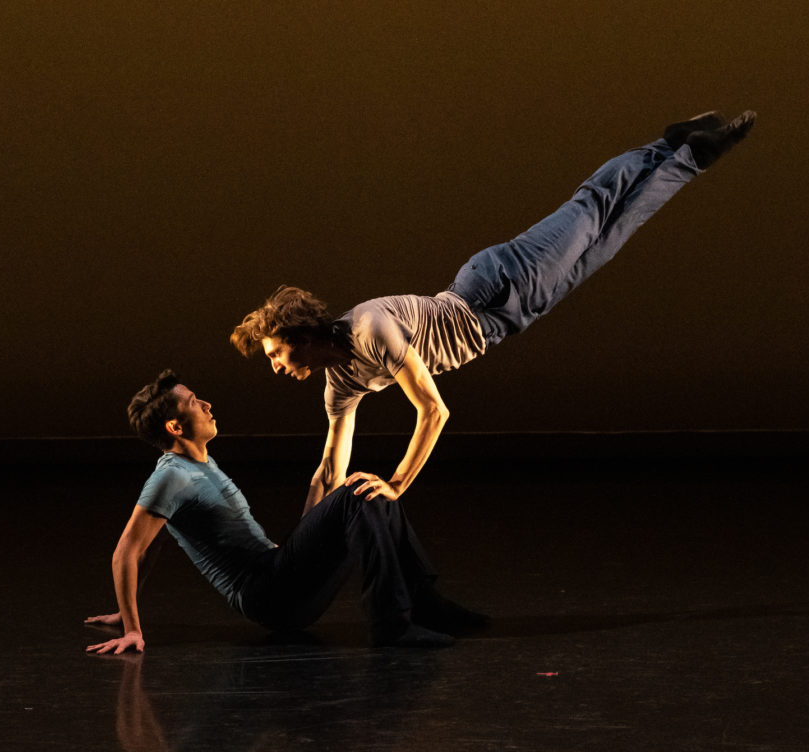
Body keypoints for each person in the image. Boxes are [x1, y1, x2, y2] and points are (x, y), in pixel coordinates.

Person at [230, 111, 757, 515]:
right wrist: (300, 550)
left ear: (302, 334)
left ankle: (672, 145)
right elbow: (328, 470)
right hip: (512, 315)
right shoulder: (339, 383)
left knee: (593, 208)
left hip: (496, 286)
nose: (276, 367)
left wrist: (396, 485)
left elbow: (434, 412)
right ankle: (688, 154)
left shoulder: (372, 328)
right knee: (614, 233)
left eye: (276, 353)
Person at [85, 369, 483, 654]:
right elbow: (128, 550)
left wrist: (126, 606)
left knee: (374, 494)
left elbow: (152, 542)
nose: (206, 404)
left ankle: (425, 604)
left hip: (278, 578)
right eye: (193, 402)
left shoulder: (198, 465)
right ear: (175, 426)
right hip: (268, 593)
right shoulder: (170, 476)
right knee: (355, 493)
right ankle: (392, 624)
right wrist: (133, 627)